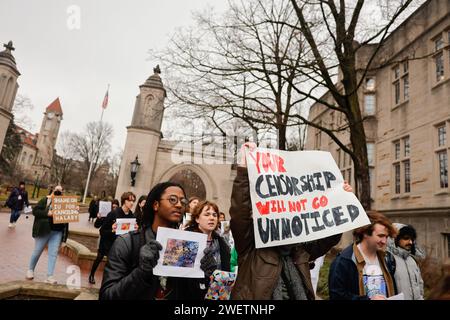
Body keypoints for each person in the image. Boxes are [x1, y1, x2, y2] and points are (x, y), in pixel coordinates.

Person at [229, 143, 352, 300]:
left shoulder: (301, 250)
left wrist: (340, 200)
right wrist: (244, 170)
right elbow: (239, 213)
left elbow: (329, 236)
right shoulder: (251, 247)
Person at [99, 182, 216, 300]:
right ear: (156, 205)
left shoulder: (187, 246)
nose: (179, 205)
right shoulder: (127, 243)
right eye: (173, 199)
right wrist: (141, 272)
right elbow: (107, 295)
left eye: (183, 201)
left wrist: (203, 277)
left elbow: (190, 295)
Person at [329, 211, 397, 300]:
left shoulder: (388, 259)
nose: (384, 241)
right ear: (365, 233)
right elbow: (337, 296)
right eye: (380, 236)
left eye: (386, 237)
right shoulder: (343, 261)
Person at [185, 200, 231, 298]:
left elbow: (225, 275)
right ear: (197, 219)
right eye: (207, 214)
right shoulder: (186, 240)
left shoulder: (222, 243)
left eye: (214, 215)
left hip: (215, 295)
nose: (211, 218)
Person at [25, 185, 69, 284]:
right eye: (56, 190)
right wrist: (47, 213)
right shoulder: (46, 200)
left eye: (60, 190)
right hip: (44, 231)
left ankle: (50, 276)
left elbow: (67, 223)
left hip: (57, 232)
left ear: (63, 192)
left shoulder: (65, 203)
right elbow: (35, 211)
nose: (58, 191)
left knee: (53, 254)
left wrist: (64, 239)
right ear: (53, 190)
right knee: (37, 251)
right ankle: (30, 270)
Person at [89, 194, 136, 284]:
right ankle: (92, 274)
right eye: (129, 200)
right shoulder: (113, 213)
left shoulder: (132, 216)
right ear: (124, 201)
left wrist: (135, 230)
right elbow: (102, 230)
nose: (132, 203)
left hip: (120, 245)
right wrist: (112, 230)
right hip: (107, 243)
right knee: (99, 258)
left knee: (112, 265)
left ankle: (108, 283)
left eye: (133, 201)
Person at [385, 223, 425, 300]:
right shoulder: (388, 260)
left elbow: (420, 285)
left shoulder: (413, 261)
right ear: (395, 239)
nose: (410, 242)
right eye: (406, 238)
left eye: (412, 239)